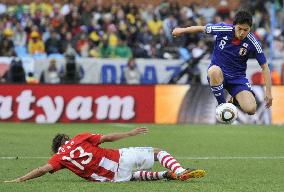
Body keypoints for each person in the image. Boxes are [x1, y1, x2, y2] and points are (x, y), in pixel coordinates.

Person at [4, 127, 205, 183]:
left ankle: (164, 175)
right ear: (67, 138)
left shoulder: (59, 158)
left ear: (56, 148)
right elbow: (107, 138)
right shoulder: (80, 137)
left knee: (132, 176)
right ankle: (179, 171)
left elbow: (42, 169)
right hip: (119, 159)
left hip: (111, 179)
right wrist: (129, 133)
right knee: (158, 152)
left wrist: (19, 179)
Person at [172, 10, 273, 114]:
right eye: (239, 29)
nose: (242, 32)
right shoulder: (223, 29)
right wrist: (181, 30)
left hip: (237, 79)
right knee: (213, 71)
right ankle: (222, 106)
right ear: (234, 25)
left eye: (246, 30)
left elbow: (265, 67)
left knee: (251, 109)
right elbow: (201, 28)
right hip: (219, 73)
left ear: (250, 29)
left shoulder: (253, 42)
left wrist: (268, 92)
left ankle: (234, 100)